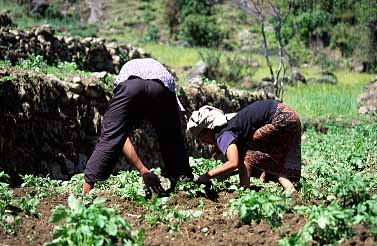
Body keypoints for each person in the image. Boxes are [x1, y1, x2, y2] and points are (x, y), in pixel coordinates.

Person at [83, 58, 193, 195]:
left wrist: (142, 170)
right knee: (171, 137)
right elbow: (175, 127)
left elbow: (119, 136)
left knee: (110, 136)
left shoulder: (125, 82)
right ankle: (185, 187)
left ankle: (86, 193)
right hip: (161, 87)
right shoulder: (158, 72)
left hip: (131, 86)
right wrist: (144, 170)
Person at [187, 99, 301, 191]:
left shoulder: (223, 135)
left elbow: (233, 163)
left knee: (245, 152)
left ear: (208, 131)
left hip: (280, 119)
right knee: (271, 154)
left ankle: (244, 189)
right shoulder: (231, 123)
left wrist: (208, 175)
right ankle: (288, 187)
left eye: (201, 137)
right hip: (290, 115)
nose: (203, 142)